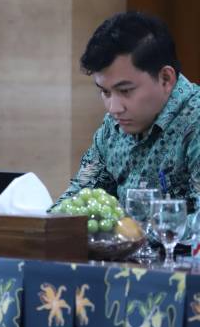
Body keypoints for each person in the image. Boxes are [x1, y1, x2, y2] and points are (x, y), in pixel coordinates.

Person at [56, 11, 200, 212]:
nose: (114, 108)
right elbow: (78, 199)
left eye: (125, 91)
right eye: (105, 92)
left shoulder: (195, 121)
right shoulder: (112, 128)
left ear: (166, 79)